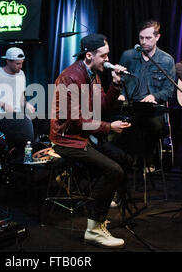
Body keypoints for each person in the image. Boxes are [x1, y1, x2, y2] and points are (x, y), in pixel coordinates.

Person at [50, 33, 131, 248]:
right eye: (103, 56)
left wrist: (115, 85)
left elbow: (101, 106)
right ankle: (94, 229)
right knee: (113, 170)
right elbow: (74, 120)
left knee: (123, 160)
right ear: (89, 55)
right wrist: (109, 127)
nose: (107, 59)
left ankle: (99, 212)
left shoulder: (93, 74)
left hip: (84, 137)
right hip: (67, 140)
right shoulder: (70, 77)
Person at [115, 20, 175, 169]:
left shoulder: (166, 60)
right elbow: (120, 81)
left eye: (148, 38)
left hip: (151, 109)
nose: (143, 42)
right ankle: (124, 163)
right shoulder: (128, 56)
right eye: (141, 38)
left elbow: (169, 90)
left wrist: (154, 96)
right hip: (129, 106)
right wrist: (121, 93)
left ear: (157, 37)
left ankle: (144, 160)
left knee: (153, 126)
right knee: (114, 126)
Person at [0, 47, 36, 164]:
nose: (20, 66)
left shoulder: (21, 74)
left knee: (43, 119)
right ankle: (21, 160)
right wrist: (2, 104)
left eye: (21, 63)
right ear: (8, 61)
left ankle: (34, 159)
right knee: (24, 123)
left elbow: (21, 98)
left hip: (16, 115)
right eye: (17, 64)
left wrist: (27, 105)